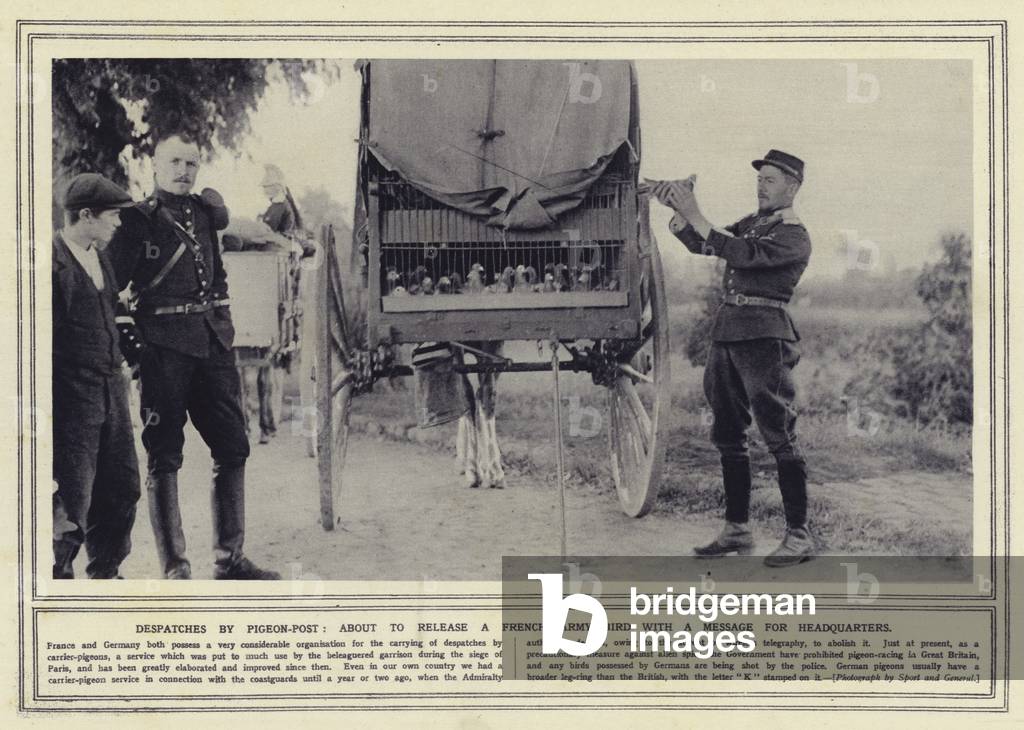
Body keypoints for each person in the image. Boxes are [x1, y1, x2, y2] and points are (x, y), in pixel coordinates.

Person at [108, 131, 280, 580]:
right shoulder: (136, 221)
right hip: (162, 349)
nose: (184, 170)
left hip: (211, 345)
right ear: (156, 167)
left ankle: (230, 559)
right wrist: (131, 340)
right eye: (176, 162)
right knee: (164, 454)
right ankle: (175, 569)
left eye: (191, 163)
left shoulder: (204, 213)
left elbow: (218, 276)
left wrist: (222, 321)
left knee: (233, 445)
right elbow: (112, 288)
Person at [649, 149, 814, 567]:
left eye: (772, 179)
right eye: (760, 178)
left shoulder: (795, 234)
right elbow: (707, 243)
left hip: (765, 339)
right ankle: (737, 529)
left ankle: (798, 534)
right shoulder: (755, 224)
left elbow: (738, 253)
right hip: (729, 332)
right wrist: (680, 212)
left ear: (793, 188)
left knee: (779, 434)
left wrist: (696, 210)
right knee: (727, 432)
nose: (761, 185)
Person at [52, 173, 141, 579]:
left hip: (112, 390)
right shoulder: (49, 265)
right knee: (73, 496)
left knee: (122, 487)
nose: (118, 224)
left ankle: (106, 571)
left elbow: (113, 314)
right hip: (73, 398)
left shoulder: (98, 254)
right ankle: (57, 578)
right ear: (86, 215)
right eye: (112, 216)